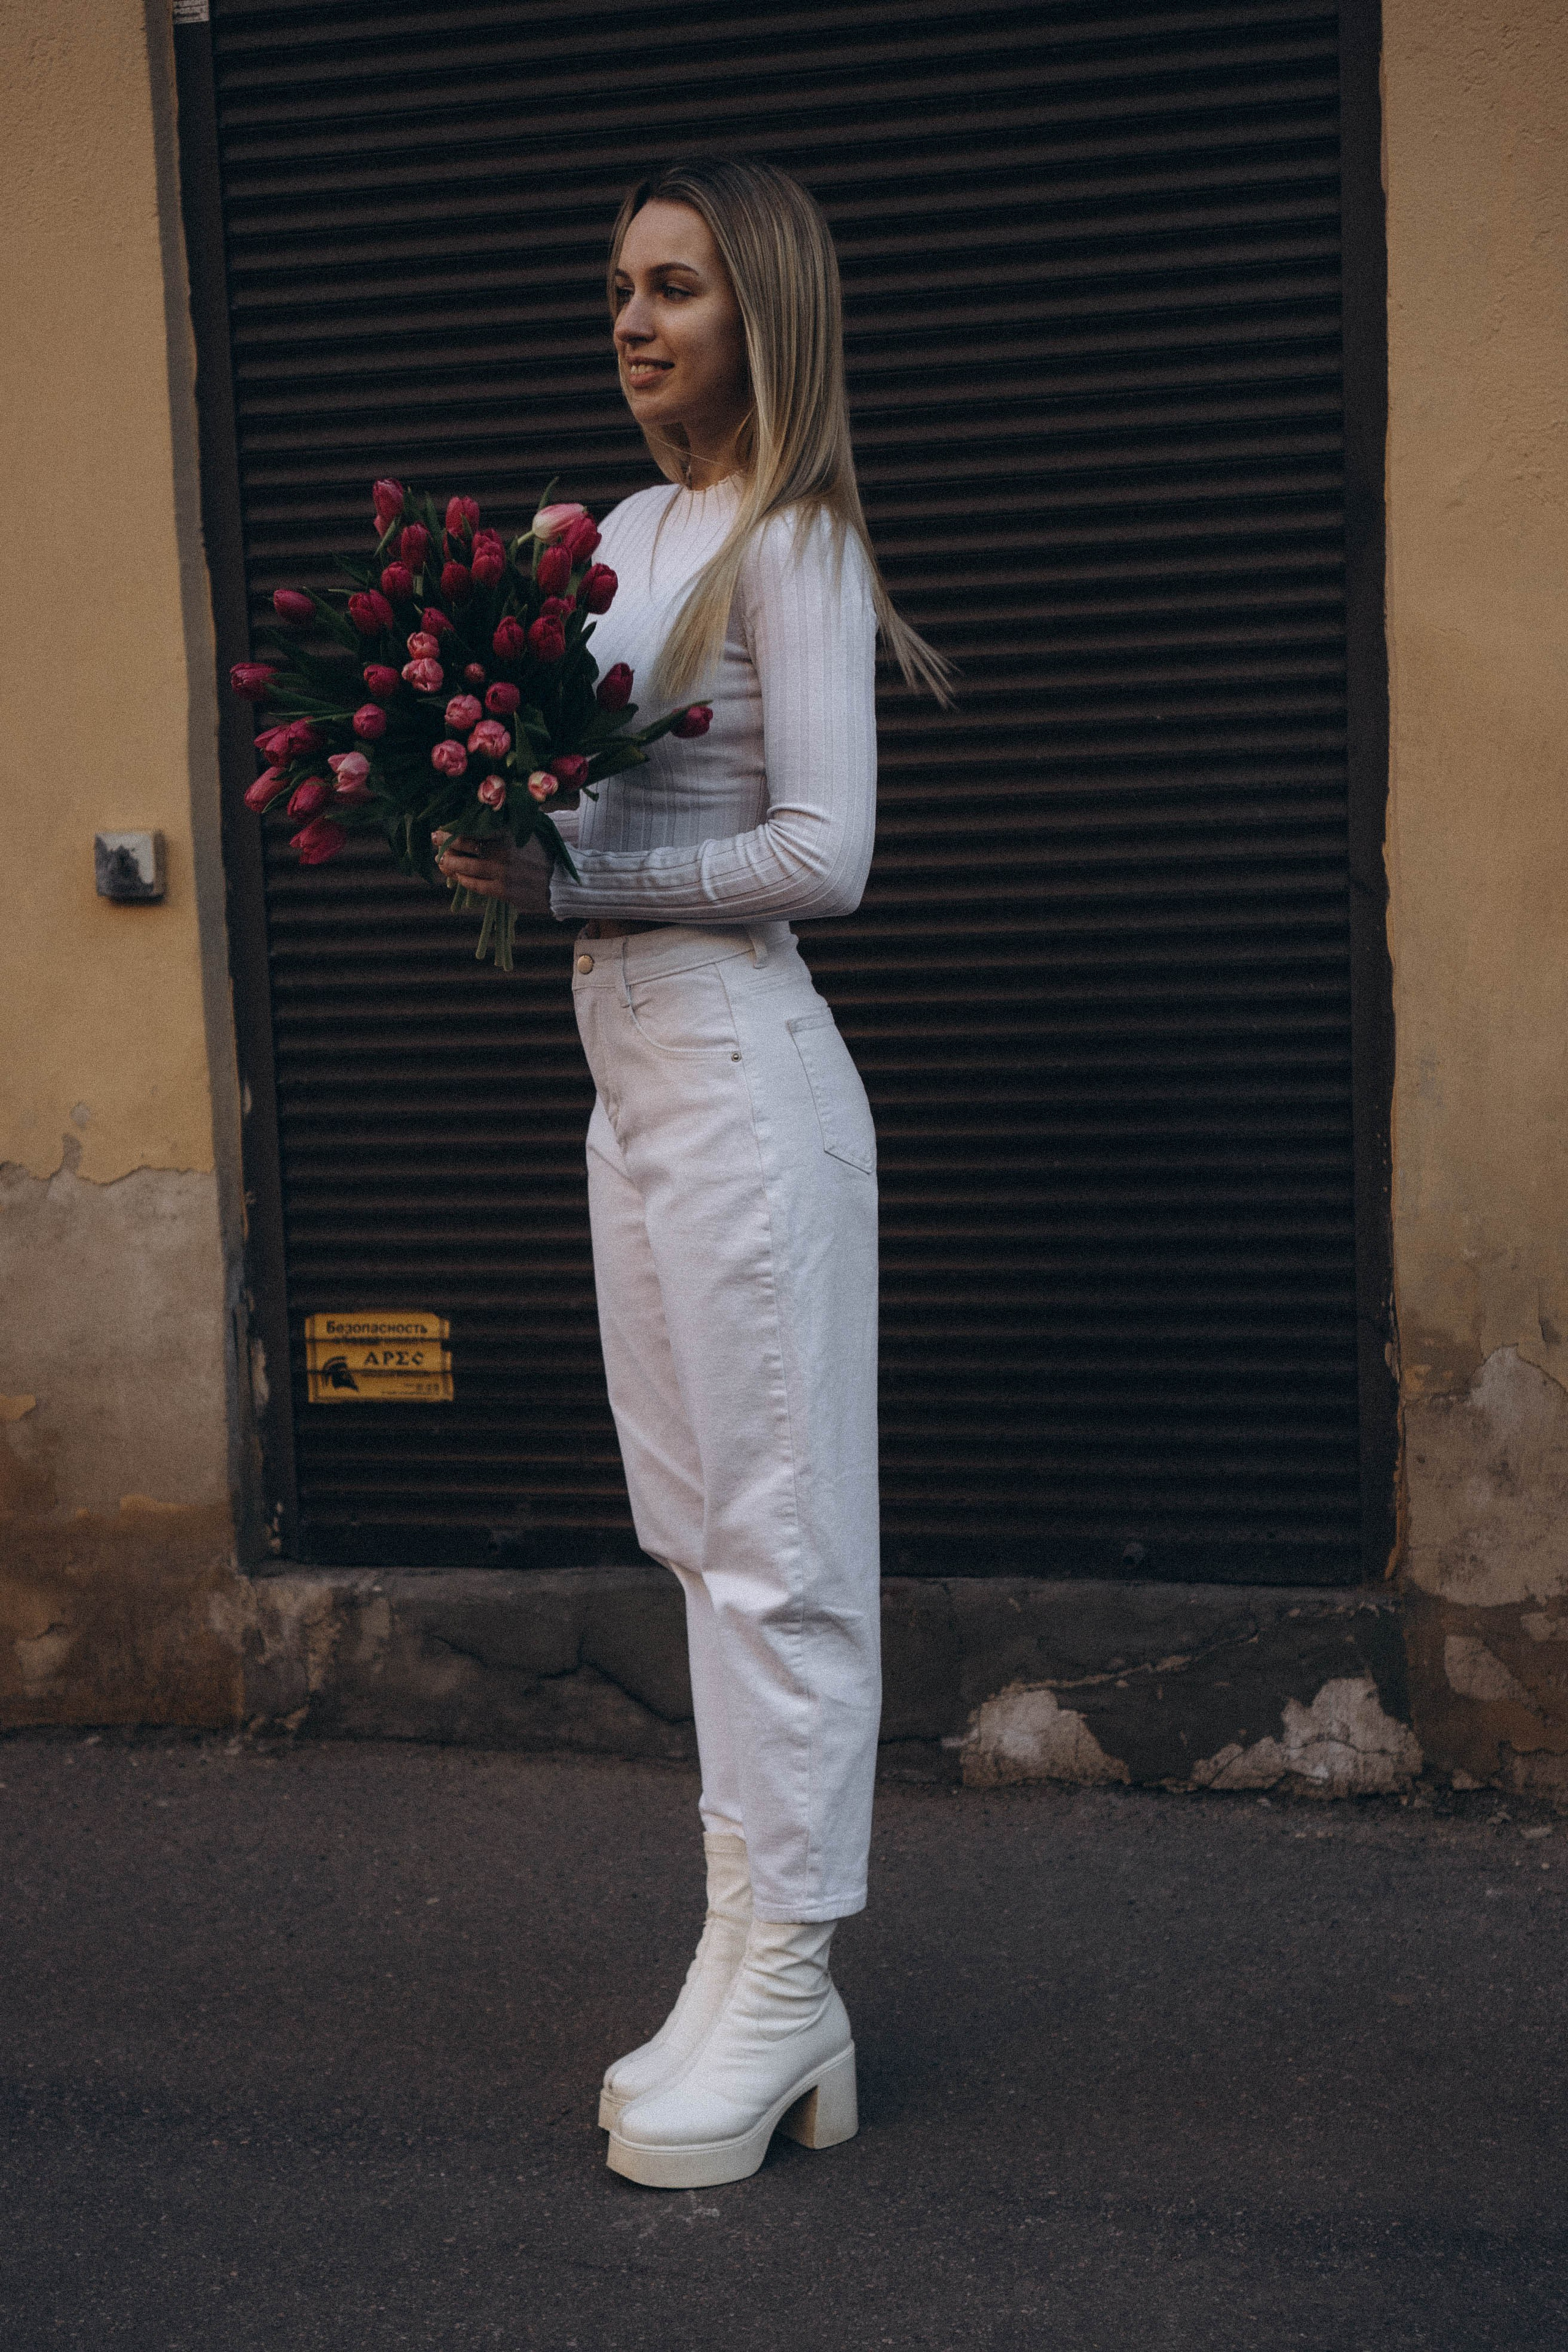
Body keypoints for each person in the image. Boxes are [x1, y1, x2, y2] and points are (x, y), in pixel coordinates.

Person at [438, 156, 951, 2190]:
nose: (636, 322)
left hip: (744, 1071)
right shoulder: (617, 534)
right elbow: (546, 791)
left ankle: (795, 1968)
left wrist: (585, 875)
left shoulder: (794, 541)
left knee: (780, 1540)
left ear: (768, 315)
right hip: (633, 1079)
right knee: (690, 1528)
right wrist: (475, 833)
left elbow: (825, 856)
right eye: (623, 289)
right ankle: (746, 1943)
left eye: (679, 290)